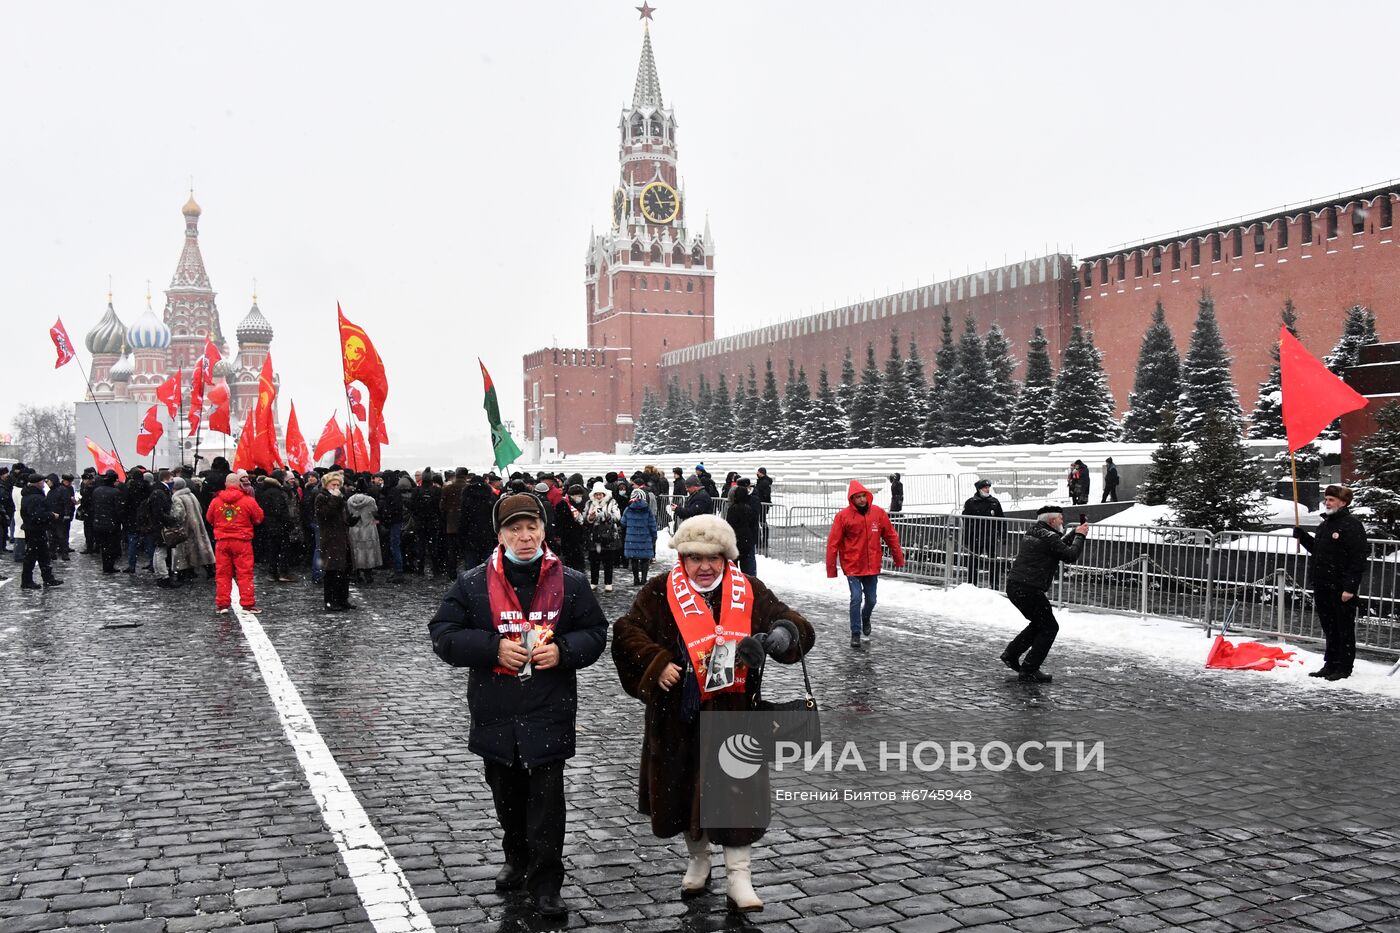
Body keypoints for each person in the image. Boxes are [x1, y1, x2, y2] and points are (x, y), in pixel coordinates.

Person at [612, 513, 815, 911]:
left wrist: (782, 634)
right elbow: (626, 632)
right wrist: (657, 662)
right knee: (684, 789)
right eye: (695, 557)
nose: (704, 566)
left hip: (734, 712)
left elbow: (794, 622)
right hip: (678, 714)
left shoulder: (749, 590)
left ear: (726, 557)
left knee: (736, 795)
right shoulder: (659, 591)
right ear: (682, 558)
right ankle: (698, 859)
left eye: (713, 557)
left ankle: (740, 877)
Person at [428, 493, 608, 919]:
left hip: (549, 708)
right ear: (500, 534)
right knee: (506, 795)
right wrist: (492, 648)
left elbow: (596, 633)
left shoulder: (571, 582)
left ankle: (546, 882)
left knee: (547, 802)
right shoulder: (473, 583)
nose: (524, 537)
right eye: (515, 529)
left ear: (544, 530)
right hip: (496, 709)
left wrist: (563, 650)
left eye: (532, 527)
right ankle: (516, 855)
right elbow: (443, 633)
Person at [1001, 505, 1087, 683]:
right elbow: (1069, 555)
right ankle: (1029, 670)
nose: (1062, 521)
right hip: (1028, 589)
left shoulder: (1035, 532)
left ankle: (1012, 654)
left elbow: (1057, 546)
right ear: (1052, 520)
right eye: (1061, 518)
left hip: (1017, 586)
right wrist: (1080, 536)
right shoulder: (1049, 537)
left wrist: (1074, 533)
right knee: (1049, 627)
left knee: (1040, 623)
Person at [1293, 485, 1369, 681]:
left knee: (1343, 628)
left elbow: (1358, 559)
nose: (1327, 503)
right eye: (1326, 499)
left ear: (1343, 502)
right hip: (1322, 584)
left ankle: (1344, 666)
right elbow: (1317, 550)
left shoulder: (1352, 525)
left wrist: (1350, 587)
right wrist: (1303, 537)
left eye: (1331, 500)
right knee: (1329, 627)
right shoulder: (1325, 524)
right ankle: (1330, 663)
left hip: (1340, 586)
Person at [826, 480, 905, 649]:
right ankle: (855, 633)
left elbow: (891, 536)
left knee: (871, 600)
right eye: (857, 497)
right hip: (853, 565)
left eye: (863, 496)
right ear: (852, 499)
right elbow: (833, 543)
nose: (861, 499)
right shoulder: (843, 517)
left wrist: (898, 557)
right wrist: (831, 569)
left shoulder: (878, 513)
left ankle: (865, 617)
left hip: (871, 566)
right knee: (856, 598)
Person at [205, 470, 265, 613]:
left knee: (222, 574)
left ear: (226, 484)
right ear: (239, 484)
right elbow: (258, 518)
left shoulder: (216, 501)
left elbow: (209, 518)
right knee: (245, 573)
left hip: (222, 541)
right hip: (242, 541)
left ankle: (222, 605)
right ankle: (247, 604)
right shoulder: (248, 500)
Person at [315, 472, 355, 611]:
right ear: (326, 485)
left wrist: (351, 520)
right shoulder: (321, 497)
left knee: (344, 570)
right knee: (332, 571)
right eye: (333, 484)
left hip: (342, 538)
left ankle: (342, 599)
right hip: (330, 539)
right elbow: (326, 514)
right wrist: (334, 498)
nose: (336, 487)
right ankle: (330, 601)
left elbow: (343, 516)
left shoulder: (340, 497)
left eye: (338, 485)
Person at [19, 474, 62, 590]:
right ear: (38, 483)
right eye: (42, 481)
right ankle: (27, 581)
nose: (44, 484)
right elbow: (37, 516)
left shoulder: (29, 495)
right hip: (35, 530)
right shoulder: (35, 497)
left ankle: (48, 578)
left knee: (43, 555)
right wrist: (51, 515)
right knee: (32, 556)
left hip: (34, 529)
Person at [168, 477, 215, 581]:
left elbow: (178, 515)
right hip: (197, 525)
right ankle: (210, 569)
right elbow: (200, 509)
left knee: (184, 551)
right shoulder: (191, 495)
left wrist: (171, 518)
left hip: (185, 527)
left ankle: (183, 574)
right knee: (201, 548)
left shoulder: (177, 498)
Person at [961, 479, 1005, 587]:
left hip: (991, 536)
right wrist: (967, 537)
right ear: (979, 489)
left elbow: (1001, 519)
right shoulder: (971, 502)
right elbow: (966, 520)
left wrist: (1003, 535)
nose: (987, 489)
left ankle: (994, 584)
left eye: (988, 487)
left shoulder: (994, 502)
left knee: (992, 560)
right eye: (985, 488)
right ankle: (972, 584)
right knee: (974, 560)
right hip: (976, 536)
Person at [584, 481, 622, 591]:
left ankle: (608, 583)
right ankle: (594, 582)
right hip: (594, 535)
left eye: (600, 494)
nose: (598, 496)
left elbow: (617, 517)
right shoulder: (589, 503)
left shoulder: (611, 502)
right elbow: (585, 517)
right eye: (596, 494)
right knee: (594, 561)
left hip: (608, 535)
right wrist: (591, 518)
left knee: (608, 561)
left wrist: (605, 515)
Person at [725, 478, 762, 577]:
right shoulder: (748, 507)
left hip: (739, 538)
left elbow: (730, 523)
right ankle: (748, 580)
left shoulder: (734, 508)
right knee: (747, 565)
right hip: (747, 538)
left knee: (740, 565)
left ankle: (741, 580)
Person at [90, 470, 124, 574]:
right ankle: (109, 566)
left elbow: (93, 507)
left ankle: (106, 565)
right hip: (111, 524)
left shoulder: (97, 491)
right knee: (111, 546)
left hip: (99, 522)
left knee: (104, 545)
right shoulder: (115, 492)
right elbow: (118, 509)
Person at [622, 488, 658, 585]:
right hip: (645, 538)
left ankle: (636, 579)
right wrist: (654, 536)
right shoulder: (647, 509)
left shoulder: (628, 509)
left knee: (634, 559)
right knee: (645, 559)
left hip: (632, 539)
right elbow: (652, 525)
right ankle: (644, 579)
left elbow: (623, 522)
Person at [347, 485, 382, 584]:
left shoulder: (350, 500)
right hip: (369, 528)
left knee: (356, 550)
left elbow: (349, 514)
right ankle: (368, 574)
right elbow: (375, 513)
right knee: (369, 550)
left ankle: (357, 573)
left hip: (354, 528)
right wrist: (376, 522)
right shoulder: (371, 500)